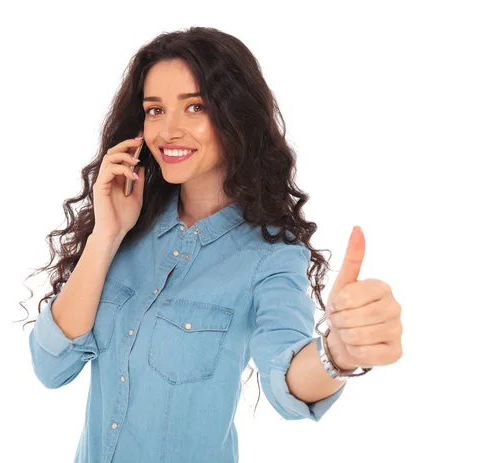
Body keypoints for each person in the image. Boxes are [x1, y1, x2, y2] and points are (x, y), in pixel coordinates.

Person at [25, 26, 403, 463]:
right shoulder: (128, 231)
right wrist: (106, 235)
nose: (168, 130)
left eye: (195, 107)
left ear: (234, 115)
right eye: (154, 110)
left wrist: (338, 353)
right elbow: (51, 367)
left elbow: (288, 379)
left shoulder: (269, 257)